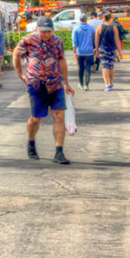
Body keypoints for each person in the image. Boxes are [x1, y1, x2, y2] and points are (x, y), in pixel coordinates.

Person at [13, 17, 75, 164]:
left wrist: (65, 81)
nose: (46, 34)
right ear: (37, 29)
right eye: (43, 31)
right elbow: (16, 54)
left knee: (59, 116)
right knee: (36, 118)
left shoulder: (57, 41)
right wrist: (21, 75)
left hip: (55, 83)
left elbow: (61, 60)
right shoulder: (27, 40)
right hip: (36, 84)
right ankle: (31, 142)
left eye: (49, 31)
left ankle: (59, 152)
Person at [95, 9, 123, 90]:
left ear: (103, 18)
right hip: (111, 49)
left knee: (104, 66)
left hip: (102, 48)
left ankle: (106, 84)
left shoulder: (99, 27)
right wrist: (120, 51)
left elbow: (96, 40)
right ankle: (110, 82)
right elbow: (117, 40)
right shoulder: (114, 27)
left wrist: (96, 49)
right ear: (110, 18)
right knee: (111, 66)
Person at [72, 14, 98, 86]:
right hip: (89, 52)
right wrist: (95, 48)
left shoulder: (76, 29)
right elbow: (94, 40)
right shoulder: (91, 28)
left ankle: (81, 84)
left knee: (81, 68)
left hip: (80, 52)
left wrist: (74, 52)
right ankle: (87, 84)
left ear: (79, 20)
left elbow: (74, 42)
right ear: (86, 20)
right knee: (88, 68)